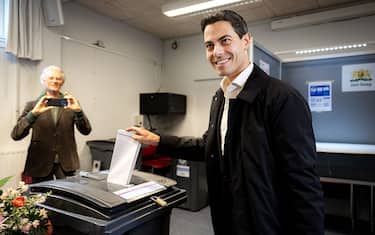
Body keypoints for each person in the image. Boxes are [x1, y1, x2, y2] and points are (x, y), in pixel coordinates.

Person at [127, 10, 324, 235]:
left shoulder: (282, 98)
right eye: (209, 45)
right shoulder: (221, 97)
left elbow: (303, 185)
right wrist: (158, 140)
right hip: (228, 219)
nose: (217, 52)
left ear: (246, 41)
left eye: (225, 41)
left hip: (267, 225)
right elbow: (210, 146)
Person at [11, 65, 91, 183]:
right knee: (40, 198)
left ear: (62, 82)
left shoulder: (71, 103)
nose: (55, 81)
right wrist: (33, 114)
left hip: (66, 163)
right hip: (39, 162)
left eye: (58, 79)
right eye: (51, 78)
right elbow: (16, 135)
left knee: (67, 199)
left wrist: (78, 111)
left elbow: (86, 131)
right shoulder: (33, 105)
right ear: (43, 80)